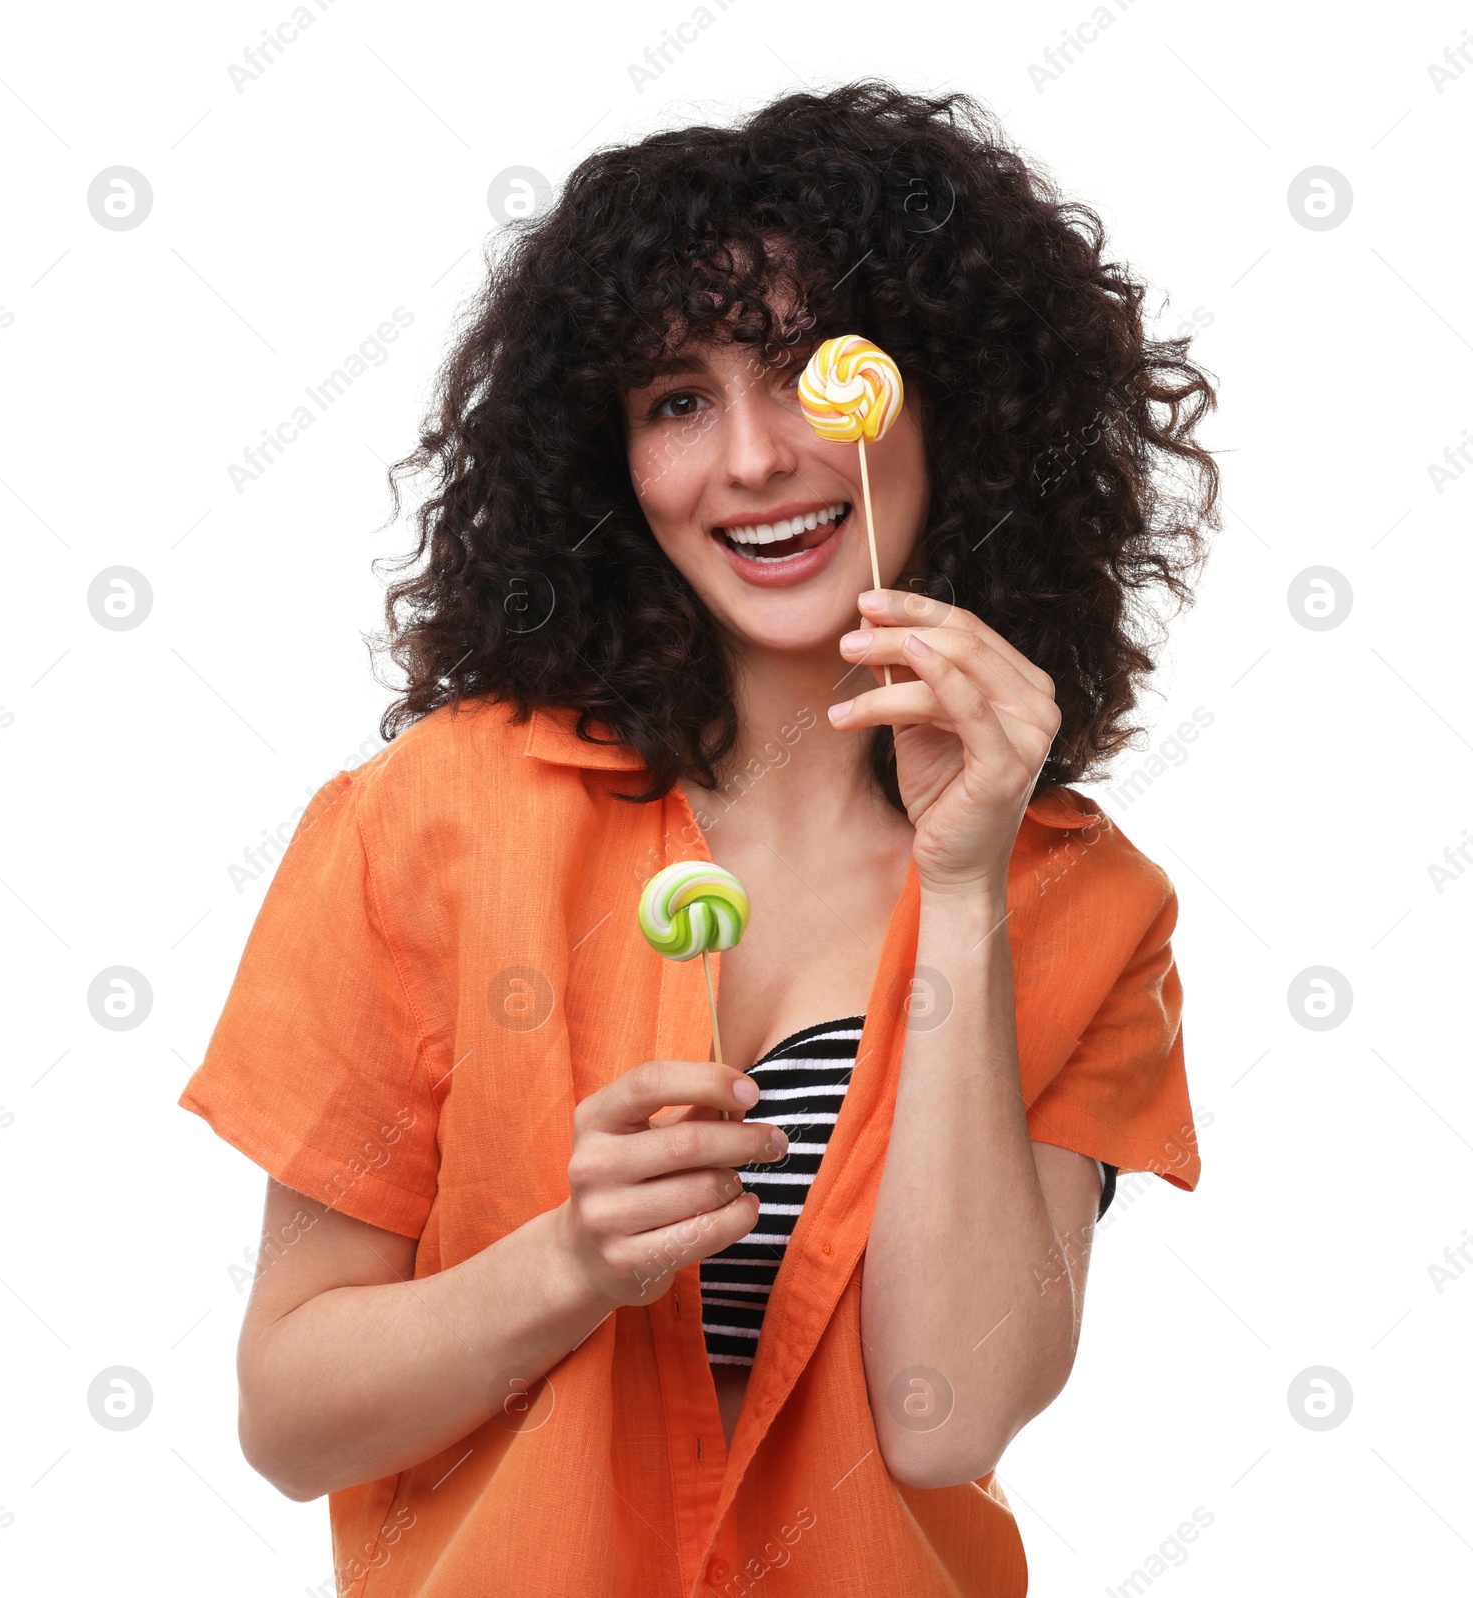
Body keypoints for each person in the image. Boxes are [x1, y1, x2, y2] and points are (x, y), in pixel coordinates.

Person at [179, 80, 1218, 1598]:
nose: (752, 459)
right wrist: (570, 1264)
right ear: (611, 464)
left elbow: (949, 1416)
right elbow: (292, 1418)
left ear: (957, 400)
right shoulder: (432, 818)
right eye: (676, 399)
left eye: (813, 376)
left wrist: (966, 880)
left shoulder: (1082, 898)